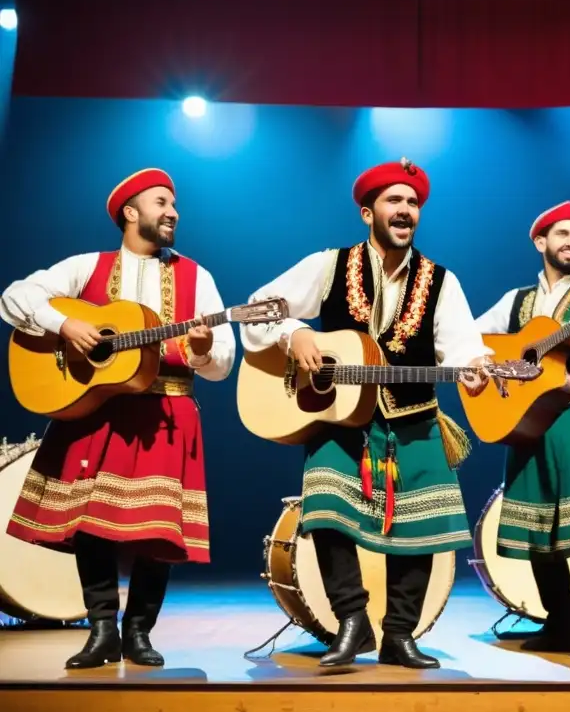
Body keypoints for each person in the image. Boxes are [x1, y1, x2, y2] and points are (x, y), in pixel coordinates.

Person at [241, 158, 491, 670]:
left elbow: (465, 347)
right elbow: (256, 308)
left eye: (413, 203)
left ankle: (399, 635)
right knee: (327, 512)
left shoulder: (441, 281)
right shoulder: (330, 265)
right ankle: (352, 621)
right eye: (394, 201)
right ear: (366, 212)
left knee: (420, 530)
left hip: (415, 418)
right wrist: (297, 334)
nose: (405, 211)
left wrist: (477, 368)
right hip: (338, 417)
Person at [0, 168, 236, 669]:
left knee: (155, 528)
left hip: (166, 409)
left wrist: (201, 349)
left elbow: (222, 365)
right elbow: (14, 297)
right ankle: (102, 629)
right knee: (89, 524)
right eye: (160, 202)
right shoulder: (87, 266)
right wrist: (66, 324)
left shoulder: (199, 277)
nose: (172, 212)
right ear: (130, 212)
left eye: (174, 205)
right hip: (97, 408)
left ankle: (139, 632)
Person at [474, 201, 570, 662]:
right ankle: (559, 621)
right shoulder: (516, 301)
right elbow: (472, 341)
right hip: (527, 421)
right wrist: (488, 365)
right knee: (538, 525)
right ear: (541, 242)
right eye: (562, 234)